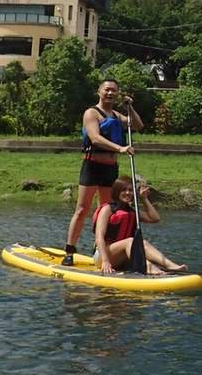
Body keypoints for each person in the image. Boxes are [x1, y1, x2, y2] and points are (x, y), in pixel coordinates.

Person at [63, 79, 143, 266]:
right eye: (107, 90)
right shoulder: (91, 113)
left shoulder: (116, 115)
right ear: (99, 91)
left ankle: (100, 248)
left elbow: (137, 125)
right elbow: (95, 138)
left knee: (106, 210)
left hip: (110, 168)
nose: (110, 93)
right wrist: (121, 148)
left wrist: (130, 107)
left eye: (114, 91)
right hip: (92, 167)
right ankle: (69, 250)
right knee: (82, 209)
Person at [92, 177, 187, 275]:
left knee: (143, 243)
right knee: (130, 241)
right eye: (124, 190)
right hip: (102, 256)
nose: (128, 193)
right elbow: (99, 237)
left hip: (122, 257)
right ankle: (149, 267)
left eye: (130, 190)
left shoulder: (132, 212)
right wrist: (105, 261)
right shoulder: (107, 209)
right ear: (116, 191)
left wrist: (144, 199)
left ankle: (171, 265)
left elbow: (155, 218)